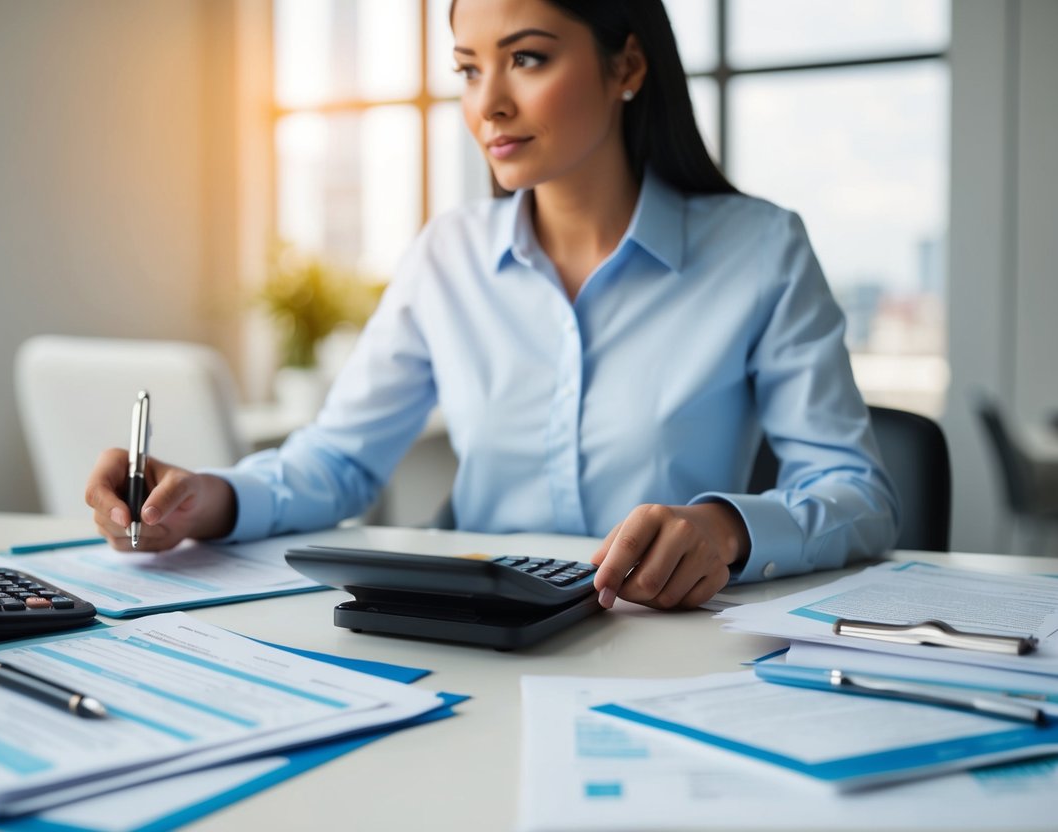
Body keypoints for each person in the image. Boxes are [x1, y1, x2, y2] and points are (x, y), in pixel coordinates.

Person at [85, 0, 900, 611]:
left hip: (661, 634)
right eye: (469, 69)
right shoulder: (448, 254)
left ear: (626, 67)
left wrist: (724, 529)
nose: (488, 104)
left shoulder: (759, 250)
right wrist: (205, 500)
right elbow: (338, 460)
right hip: (474, 625)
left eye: (529, 59)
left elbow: (856, 494)